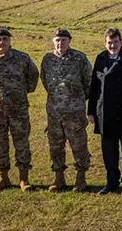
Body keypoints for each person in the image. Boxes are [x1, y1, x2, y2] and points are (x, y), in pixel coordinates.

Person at [0, 28, 39, 193]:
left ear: (9, 41)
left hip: (18, 108)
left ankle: (24, 178)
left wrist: (20, 93)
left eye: (5, 39)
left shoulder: (22, 58)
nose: (2, 42)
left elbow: (33, 77)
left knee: (21, 142)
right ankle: (3, 178)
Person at [87, 28, 122, 196]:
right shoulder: (100, 58)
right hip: (104, 112)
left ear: (121, 42)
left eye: (116, 42)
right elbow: (94, 87)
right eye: (109, 43)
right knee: (108, 150)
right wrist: (91, 112)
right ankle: (111, 182)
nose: (113, 46)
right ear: (105, 43)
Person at [40, 28, 93, 192]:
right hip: (54, 112)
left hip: (75, 112)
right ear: (52, 42)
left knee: (79, 145)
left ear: (69, 41)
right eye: (57, 40)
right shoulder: (47, 59)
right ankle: (59, 178)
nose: (60, 43)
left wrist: (77, 100)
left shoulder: (79, 58)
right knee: (55, 145)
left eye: (63, 40)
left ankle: (80, 178)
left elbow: (89, 82)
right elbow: (44, 80)